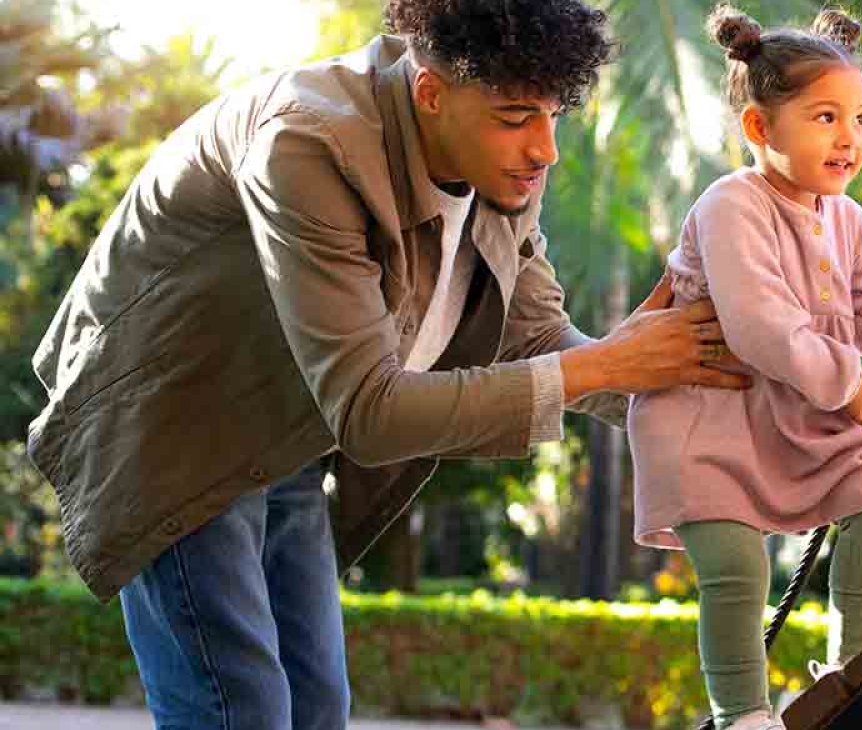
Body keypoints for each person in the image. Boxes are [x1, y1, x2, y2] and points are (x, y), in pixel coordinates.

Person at [24, 1, 749, 728]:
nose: (544, 149)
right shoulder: (309, 142)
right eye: (515, 116)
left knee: (316, 709)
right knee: (239, 710)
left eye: (553, 114)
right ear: (430, 92)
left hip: (286, 439)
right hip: (174, 426)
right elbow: (371, 412)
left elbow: (538, 342)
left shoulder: (499, 170)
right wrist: (611, 367)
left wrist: (704, 390)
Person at [626, 6, 862, 729]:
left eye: (859, 118)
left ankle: (858, 668)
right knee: (737, 571)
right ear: (761, 128)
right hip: (707, 420)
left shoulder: (844, 217)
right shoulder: (731, 204)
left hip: (797, 415)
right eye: (826, 117)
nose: (849, 139)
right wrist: (847, 383)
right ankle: (744, 715)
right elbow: (760, 326)